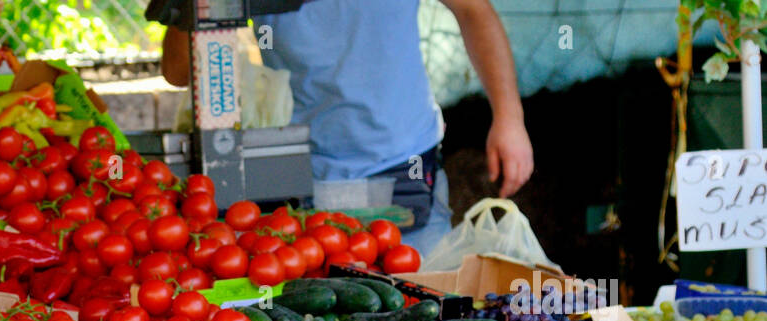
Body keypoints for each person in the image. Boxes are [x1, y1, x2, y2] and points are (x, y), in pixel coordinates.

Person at [159, 0, 534, 255]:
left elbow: (473, 10)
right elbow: (177, 73)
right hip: (296, 180)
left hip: (404, 168)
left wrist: (509, 117)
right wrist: (193, 11)